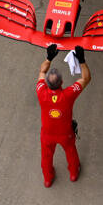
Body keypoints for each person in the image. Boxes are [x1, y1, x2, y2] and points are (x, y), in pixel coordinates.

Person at [37, 44, 90, 187]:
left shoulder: (41, 92)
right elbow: (85, 78)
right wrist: (82, 60)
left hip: (47, 134)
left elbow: (42, 71)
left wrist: (49, 58)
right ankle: (73, 173)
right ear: (62, 82)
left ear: (47, 84)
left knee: (46, 157)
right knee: (71, 152)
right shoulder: (68, 95)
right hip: (65, 134)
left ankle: (47, 179)